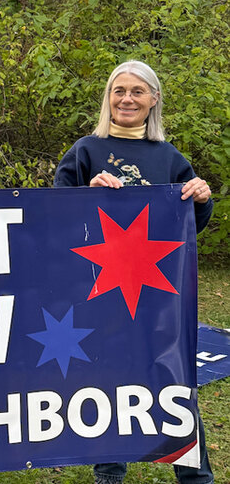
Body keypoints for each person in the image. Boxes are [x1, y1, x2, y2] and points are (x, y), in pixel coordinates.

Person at [54, 60, 213, 484]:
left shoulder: (170, 158)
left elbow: (189, 228)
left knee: (174, 378)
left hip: (157, 292)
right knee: (109, 378)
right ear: (108, 97)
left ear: (153, 100)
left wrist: (200, 198)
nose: (126, 99)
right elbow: (53, 220)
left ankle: (195, 475)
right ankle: (109, 470)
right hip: (99, 289)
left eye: (137, 91)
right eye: (118, 90)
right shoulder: (85, 150)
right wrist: (86, 198)